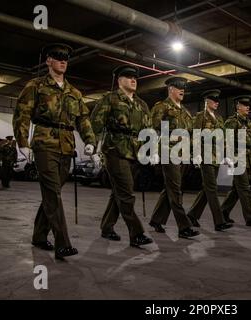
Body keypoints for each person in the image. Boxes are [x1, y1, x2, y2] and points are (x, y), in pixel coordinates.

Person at [13, 43, 96, 260]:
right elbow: (21, 114)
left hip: (67, 146)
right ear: (48, 60)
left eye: (66, 58)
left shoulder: (74, 92)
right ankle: (63, 243)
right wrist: (23, 143)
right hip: (44, 144)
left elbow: (83, 119)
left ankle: (39, 236)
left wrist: (89, 141)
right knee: (52, 193)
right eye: (58, 57)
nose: (63, 61)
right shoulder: (36, 85)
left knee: (52, 195)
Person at [90, 65, 153, 247]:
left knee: (118, 193)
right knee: (126, 193)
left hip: (134, 153)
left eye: (135, 77)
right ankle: (137, 233)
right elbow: (95, 124)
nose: (133, 80)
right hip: (115, 151)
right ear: (119, 80)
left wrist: (150, 151)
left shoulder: (141, 104)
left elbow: (148, 131)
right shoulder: (110, 99)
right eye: (128, 77)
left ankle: (107, 227)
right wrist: (93, 147)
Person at [149, 77, 200, 238]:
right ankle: (184, 227)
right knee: (176, 190)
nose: (182, 89)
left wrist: (194, 153)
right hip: (168, 152)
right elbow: (153, 129)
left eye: (184, 87)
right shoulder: (162, 107)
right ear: (170, 89)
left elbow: (191, 134)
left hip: (183, 154)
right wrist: (153, 151)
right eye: (179, 87)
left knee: (171, 189)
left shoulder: (185, 111)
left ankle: (156, 220)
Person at [186, 89, 232, 231]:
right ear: (207, 101)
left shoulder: (219, 118)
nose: (217, 102)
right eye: (214, 100)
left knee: (207, 188)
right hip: (205, 156)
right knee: (212, 188)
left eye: (218, 100)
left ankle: (192, 215)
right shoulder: (201, 116)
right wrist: (195, 153)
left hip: (216, 157)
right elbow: (195, 135)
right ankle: (219, 221)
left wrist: (226, 154)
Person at [220, 95, 251, 227]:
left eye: (248, 105)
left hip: (248, 159)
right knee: (244, 189)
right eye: (245, 105)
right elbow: (226, 140)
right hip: (237, 159)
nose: (248, 107)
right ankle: (250, 218)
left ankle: (223, 212)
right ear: (238, 107)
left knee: (237, 190)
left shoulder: (249, 123)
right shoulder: (231, 122)